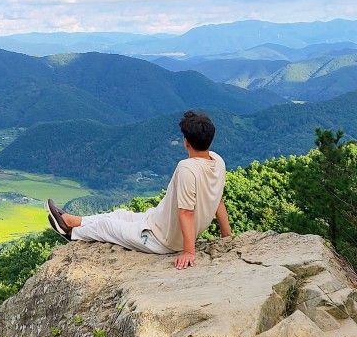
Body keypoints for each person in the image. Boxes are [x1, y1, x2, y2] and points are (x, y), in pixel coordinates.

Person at [47, 110, 232, 270]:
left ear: (186, 142)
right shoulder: (218, 161)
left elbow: (186, 212)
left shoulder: (187, 168)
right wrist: (227, 236)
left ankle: (71, 233)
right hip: (157, 221)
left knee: (108, 226)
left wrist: (189, 252)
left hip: (161, 239)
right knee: (119, 214)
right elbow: (218, 200)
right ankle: (73, 221)